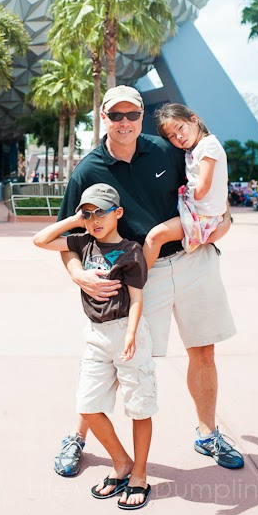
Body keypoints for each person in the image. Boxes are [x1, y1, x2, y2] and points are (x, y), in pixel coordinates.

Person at [53, 85, 244, 481]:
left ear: (142, 116)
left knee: (203, 352)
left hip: (192, 258)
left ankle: (207, 433)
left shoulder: (166, 150)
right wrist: (76, 273)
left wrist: (225, 219)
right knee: (114, 356)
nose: (124, 122)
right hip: (139, 273)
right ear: (103, 118)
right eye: (115, 115)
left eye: (132, 114)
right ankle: (77, 436)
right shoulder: (88, 170)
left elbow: (208, 189)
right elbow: (67, 238)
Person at [33, 183, 155, 509]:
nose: (95, 219)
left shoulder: (131, 251)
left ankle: (140, 474)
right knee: (87, 404)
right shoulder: (82, 242)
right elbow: (40, 240)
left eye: (101, 212)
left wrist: (131, 335)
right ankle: (122, 462)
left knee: (139, 406)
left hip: (127, 331)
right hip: (96, 335)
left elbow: (137, 298)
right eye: (88, 214)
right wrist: (76, 221)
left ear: (118, 213)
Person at [143, 104, 228, 267]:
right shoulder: (194, 148)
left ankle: (137, 278)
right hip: (201, 213)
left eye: (180, 128)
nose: (179, 137)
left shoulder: (208, 145)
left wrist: (190, 195)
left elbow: (204, 185)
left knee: (155, 236)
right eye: (172, 136)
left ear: (194, 119)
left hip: (203, 217)